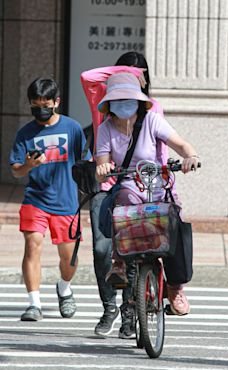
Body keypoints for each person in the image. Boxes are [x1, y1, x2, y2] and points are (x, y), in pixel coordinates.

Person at [95, 72, 199, 318]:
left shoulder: (152, 120)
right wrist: (103, 168)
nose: (124, 103)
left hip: (159, 185)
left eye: (128, 98)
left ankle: (175, 289)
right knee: (124, 201)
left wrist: (190, 156)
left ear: (139, 100)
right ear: (109, 103)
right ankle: (119, 262)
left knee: (175, 227)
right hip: (130, 184)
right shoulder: (105, 129)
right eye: (118, 99)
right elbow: (102, 166)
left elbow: (182, 145)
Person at [80, 52, 167, 338]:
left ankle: (132, 310)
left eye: (138, 73)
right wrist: (124, 73)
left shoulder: (153, 111)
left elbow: (162, 152)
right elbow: (88, 77)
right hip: (105, 186)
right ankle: (109, 307)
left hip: (140, 187)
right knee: (102, 250)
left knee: (134, 248)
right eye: (125, 72)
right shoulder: (104, 107)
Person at [9, 78, 89, 321]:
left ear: (57, 102)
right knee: (32, 243)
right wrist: (28, 165)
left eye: (45, 104)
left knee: (69, 256)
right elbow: (15, 170)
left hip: (66, 201)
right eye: (35, 105)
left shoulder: (73, 128)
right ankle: (34, 303)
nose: (40, 110)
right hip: (36, 199)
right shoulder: (25, 133)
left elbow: (84, 162)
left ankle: (64, 289)